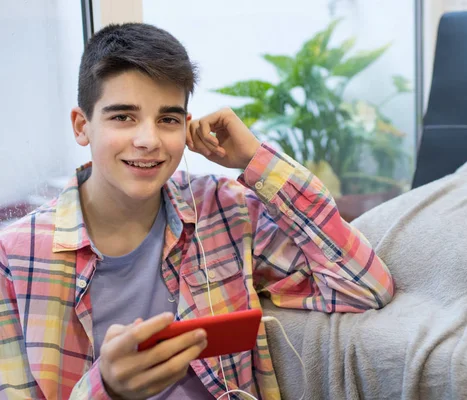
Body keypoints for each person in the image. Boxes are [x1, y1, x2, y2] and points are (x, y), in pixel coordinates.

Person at [0, 23, 393, 400]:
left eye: (167, 119)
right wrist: (109, 389)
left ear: (186, 128)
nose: (148, 140)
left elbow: (364, 286)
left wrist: (255, 159)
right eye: (123, 117)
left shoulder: (224, 210)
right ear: (81, 126)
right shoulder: (17, 256)